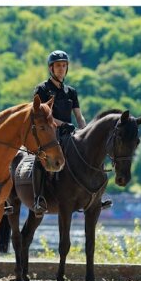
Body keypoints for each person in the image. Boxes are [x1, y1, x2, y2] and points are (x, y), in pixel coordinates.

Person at [31, 50, 111, 215]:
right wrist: (63, 124)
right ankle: (38, 198)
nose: (61, 68)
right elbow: (44, 115)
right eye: (58, 66)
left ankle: (97, 197)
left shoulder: (71, 92)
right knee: (39, 160)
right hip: (50, 133)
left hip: (70, 133)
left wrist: (85, 130)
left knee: (92, 155)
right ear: (51, 68)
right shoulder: (42, 89)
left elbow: (78, 115)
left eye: (64, 65)